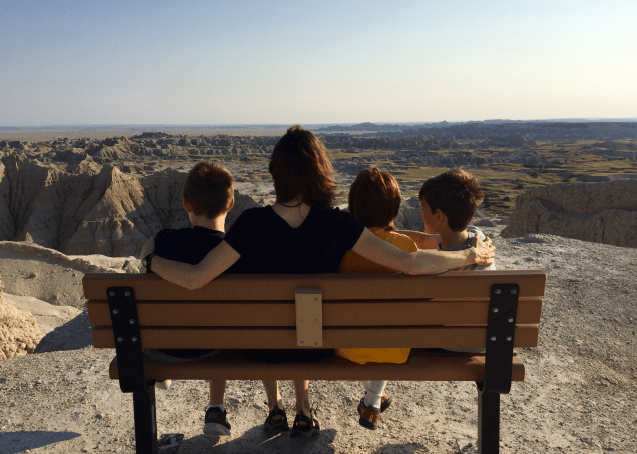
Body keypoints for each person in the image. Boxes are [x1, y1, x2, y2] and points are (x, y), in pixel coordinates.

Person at [143, 126, 496, 438]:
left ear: (276, 174)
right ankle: (304, 407)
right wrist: (469, 255)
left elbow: (194, 279)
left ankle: (277, 406)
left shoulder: (251, 224)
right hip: (315, 348)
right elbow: (410, 263)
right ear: (321, 173)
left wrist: (151, 259)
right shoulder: (337, 224)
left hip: (262, 349)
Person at [139, 161, 283, 437]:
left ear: (185, 203)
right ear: (230, 203)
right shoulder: (233, 254)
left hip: (163, 348)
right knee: (219, 326)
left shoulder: (163, 241)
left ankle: (207, 402)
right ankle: (216, 408)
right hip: (215, 347)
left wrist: (150, 259)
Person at [336, 167, 430, 430]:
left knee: (365, 332)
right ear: (394, 208)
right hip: (397, 348)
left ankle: (375, 398)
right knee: (387, 332)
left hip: (346, 347)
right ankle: (374, 399)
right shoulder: (406, 248)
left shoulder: (343, 248)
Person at [419, 168, 495, 353]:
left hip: (447, 344)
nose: (421, 213)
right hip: (481, 343)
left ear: (438, 215)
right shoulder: (480, 239)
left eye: (423, 208)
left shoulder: (437, 265)